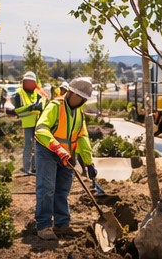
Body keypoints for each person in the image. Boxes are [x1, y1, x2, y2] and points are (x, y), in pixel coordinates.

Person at [33, 76, 97, 241]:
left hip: (67, 156)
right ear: (70, 92)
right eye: (79, 97)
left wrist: (88, 163)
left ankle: (62, 225)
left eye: (84, 99)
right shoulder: (55, 106)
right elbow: (40, 129)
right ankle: (44, 225)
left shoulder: (78, 113)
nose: (81, 101)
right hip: (47, 151)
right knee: (46, 189)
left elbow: (82, 137)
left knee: (62, 191)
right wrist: (57, 148)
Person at [12, 71, 45, 177]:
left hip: (38, 122)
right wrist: (30, 107)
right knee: (28, 146)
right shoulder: (19, 93)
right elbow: (17, 110)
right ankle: (27, 169)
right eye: (27, 82)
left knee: (38, 146)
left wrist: (40, 107)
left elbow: (42, 107)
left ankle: (35, 168)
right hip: (27, 123)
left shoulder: (38, 93)